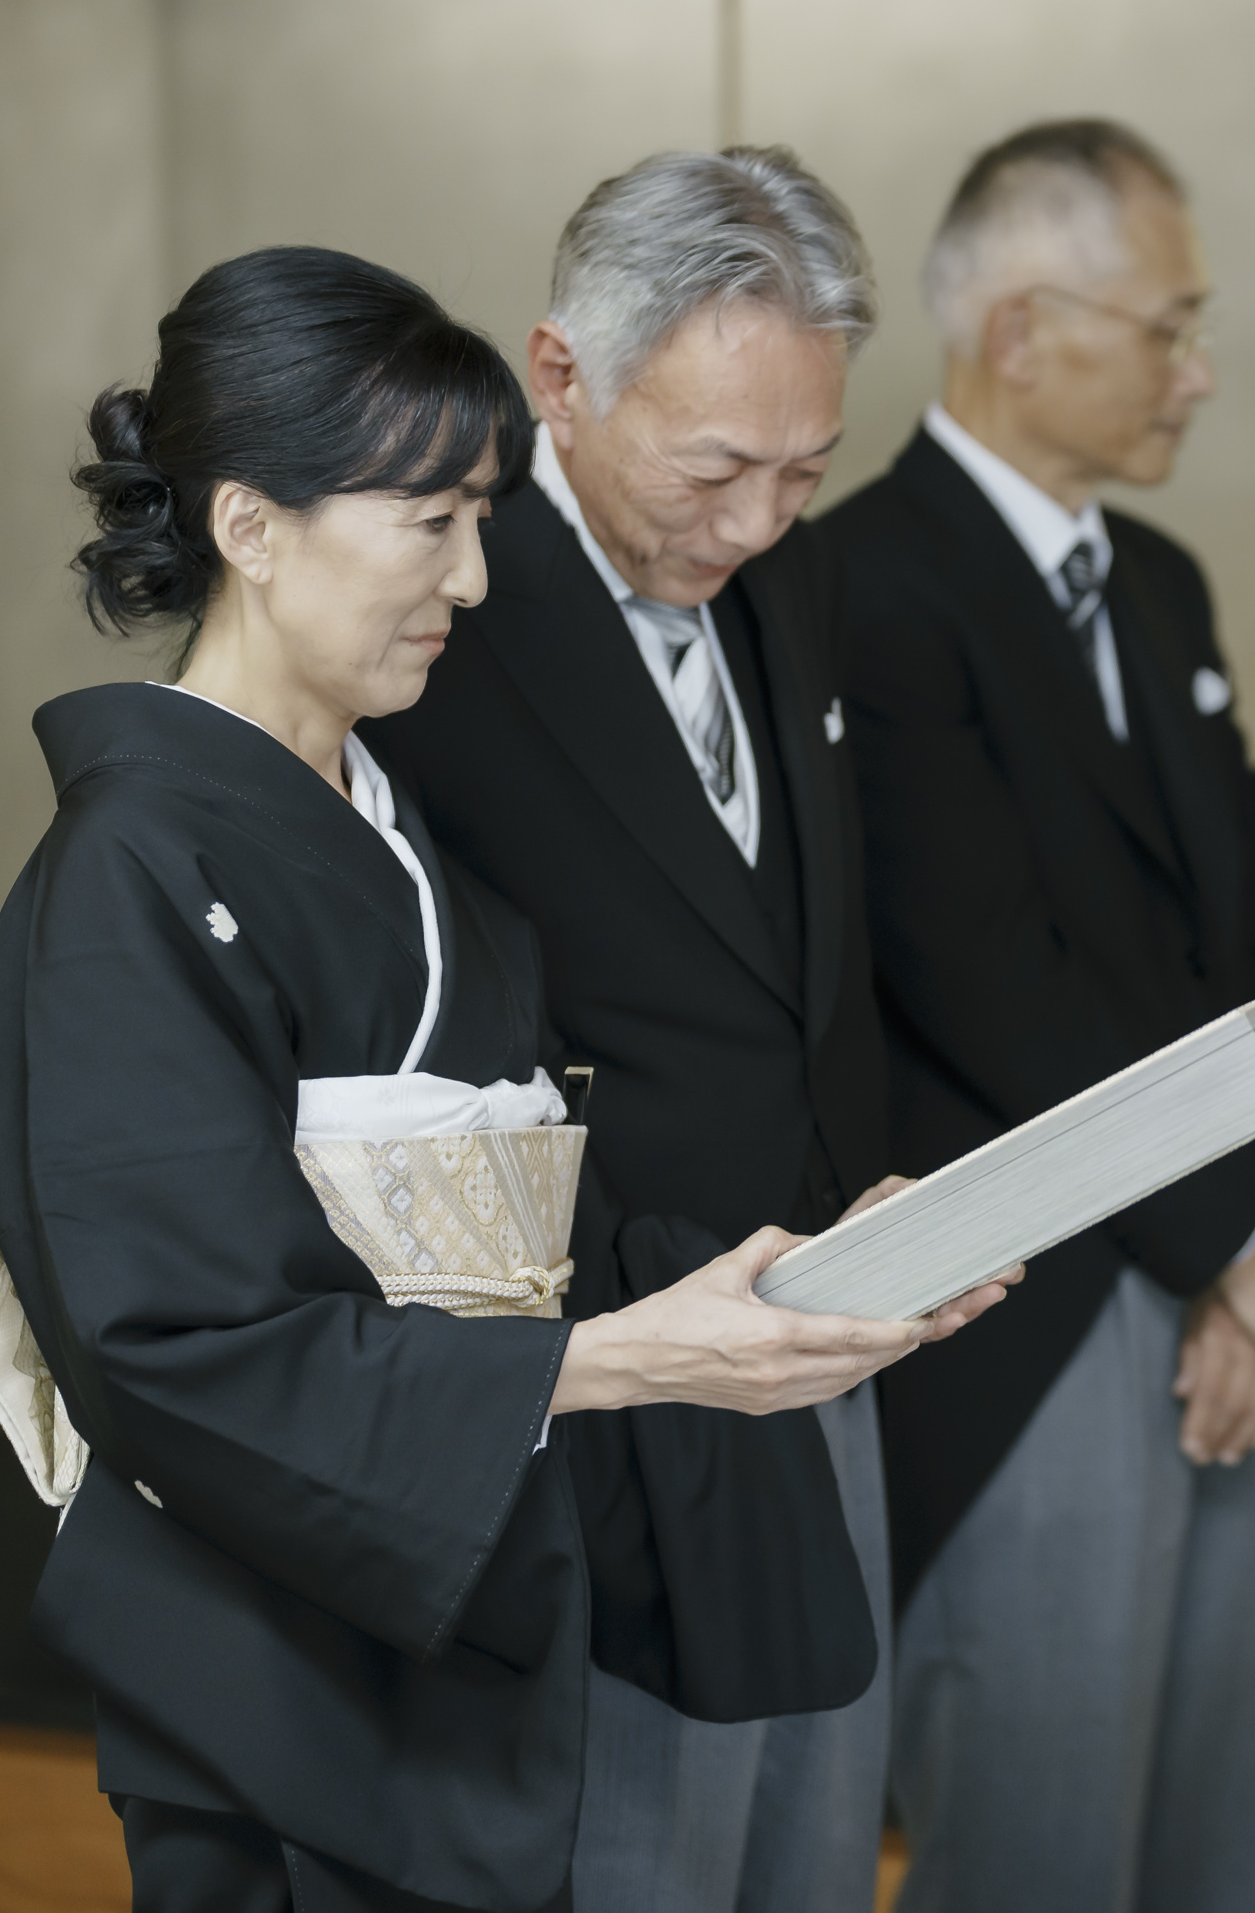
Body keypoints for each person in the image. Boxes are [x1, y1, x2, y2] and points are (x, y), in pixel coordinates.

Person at [0, 246, 1000, 1913]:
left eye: (482, 518)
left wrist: (793, 1287)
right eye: (429, 522)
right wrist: (598, 1361)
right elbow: (184, 1349)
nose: (477, 576)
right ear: (250, 524)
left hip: (457, 1594)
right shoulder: (132, 872)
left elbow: (507, 1245)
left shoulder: (382, 821)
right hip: (281, 1662)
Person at [358, 148, 919, 1910]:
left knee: (816, 1850)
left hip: (825, 1308)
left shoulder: (791, 584)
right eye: (716, 467)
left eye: (807, 469)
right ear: (557, 381)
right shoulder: (435, 623)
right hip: (602, 1362)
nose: (755, 522)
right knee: (640, 1861)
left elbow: (809, 968)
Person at [824, 119, 1255, 1913]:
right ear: (1021, 326)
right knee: (1040, 1853)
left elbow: (1241, 944)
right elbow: (986, 977)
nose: (1198, 375)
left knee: (1209, 1843)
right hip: (1031, 1311)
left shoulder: (1162, 587)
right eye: (1170, 327)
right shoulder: (859, 586)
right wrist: (1236, 1240)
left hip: (1227, 1294)